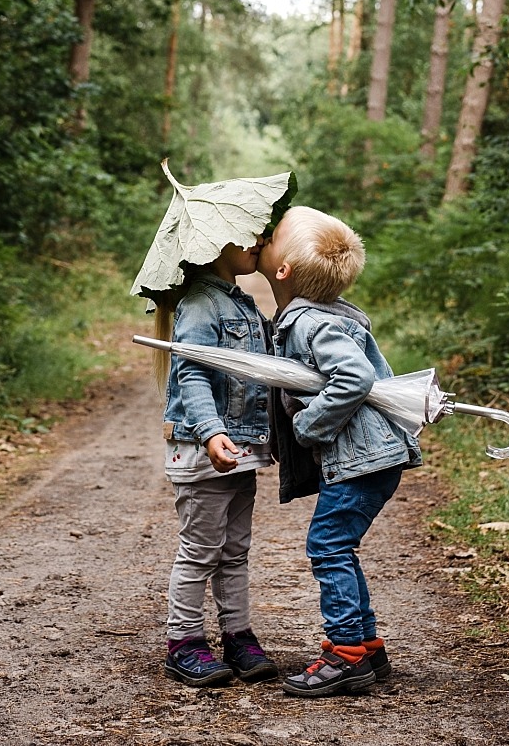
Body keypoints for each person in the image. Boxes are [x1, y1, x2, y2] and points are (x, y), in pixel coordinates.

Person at [258, 206, 421, 699]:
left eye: (270, 239)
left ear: (283, 270)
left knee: (327, 547)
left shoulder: (311, 323)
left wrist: (308, 424)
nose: (261, 240)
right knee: (338, 547)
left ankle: (345, 655)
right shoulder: (322, 313)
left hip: (362, 460)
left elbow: (354, 377)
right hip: (369, 459)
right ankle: (367, 646)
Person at [155, 240, 279, 687]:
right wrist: (210, 430)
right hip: (204, 448)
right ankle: (183, 643)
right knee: (201, 551)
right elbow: (192, 371)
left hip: (239, 449)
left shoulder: (240, 302)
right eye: (246, 236)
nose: (258, 244)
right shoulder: (201, 303)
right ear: (213, 244)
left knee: (235, 551)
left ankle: (237, 636)